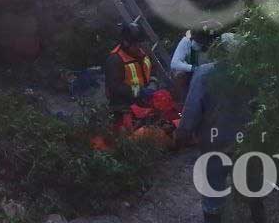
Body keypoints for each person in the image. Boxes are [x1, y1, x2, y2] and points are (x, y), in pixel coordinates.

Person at [176, 34, 266, 223]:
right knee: (252, 188)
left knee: (213, 192)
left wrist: (182, 135)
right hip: (247, 141)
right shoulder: (252, 73)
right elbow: (263, 106)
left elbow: (192, 108)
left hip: (213, 143)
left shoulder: (204, 73)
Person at [105, 23, 155, 111]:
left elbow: (152, 70)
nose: (139, 47)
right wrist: (138, 91)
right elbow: (115, 88)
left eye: (140, 43)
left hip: (145, 99)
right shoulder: (115, 60)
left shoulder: (143, 52)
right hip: (125, 105)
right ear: (126, 43)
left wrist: (153, 82)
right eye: (136, 44)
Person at [171, 29, 213, 98]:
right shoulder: (186, 41)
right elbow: (174, 63)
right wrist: (193, 68)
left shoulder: (209, 48)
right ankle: (181, 98)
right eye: (196, 40)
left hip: (202, 77)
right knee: (179, 74)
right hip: (187, 73)